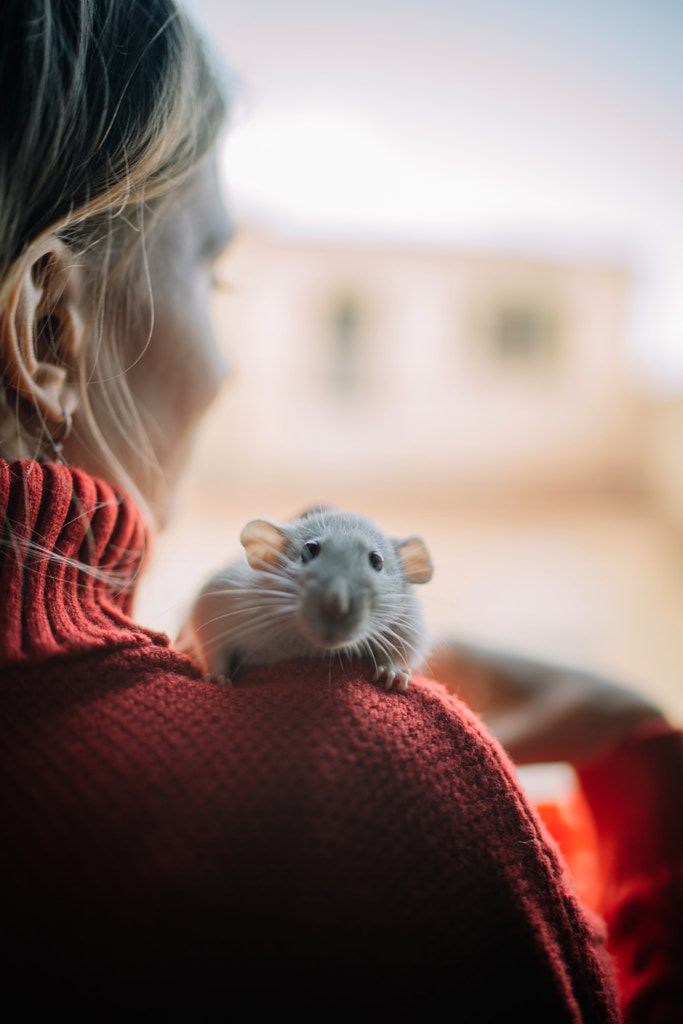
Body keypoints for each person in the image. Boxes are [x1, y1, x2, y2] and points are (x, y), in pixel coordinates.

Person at [0, 2, 677, 1017]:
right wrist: (641, 768)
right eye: (211, 274)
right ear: (52, 328)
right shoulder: (360, 776)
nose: (226, 369)